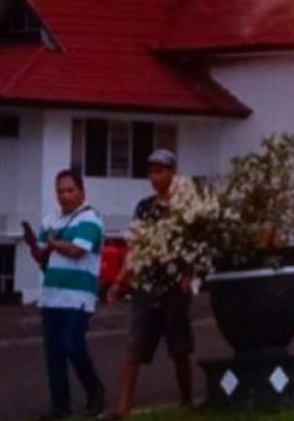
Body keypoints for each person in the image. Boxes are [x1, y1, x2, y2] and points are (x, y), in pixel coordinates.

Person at [100, 150, 194, 419]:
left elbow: (196, 245)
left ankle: (186, 399)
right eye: (151, 171)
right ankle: (124, 406)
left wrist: (189, 275)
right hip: (146, 283)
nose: (155, 177)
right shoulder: (144, 207)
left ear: (173, 173)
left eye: (160, 171)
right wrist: (120, 282)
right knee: (135, 345)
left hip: (175, 285)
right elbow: (135, 246)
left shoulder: (186, 208)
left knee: (179, 346)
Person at [24, 169, 106, 419]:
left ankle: (95, 389)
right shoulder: (51, 220)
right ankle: (60, 406)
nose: (65, 196)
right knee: (54, 353)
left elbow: (76, 251)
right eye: (60, 191)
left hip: (78, 296)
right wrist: (32, 244)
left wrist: (51, 243)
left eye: (70, 190)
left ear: (82, 192)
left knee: (73, 345)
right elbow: (42, 256)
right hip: (52, 295)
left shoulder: (90, 219)